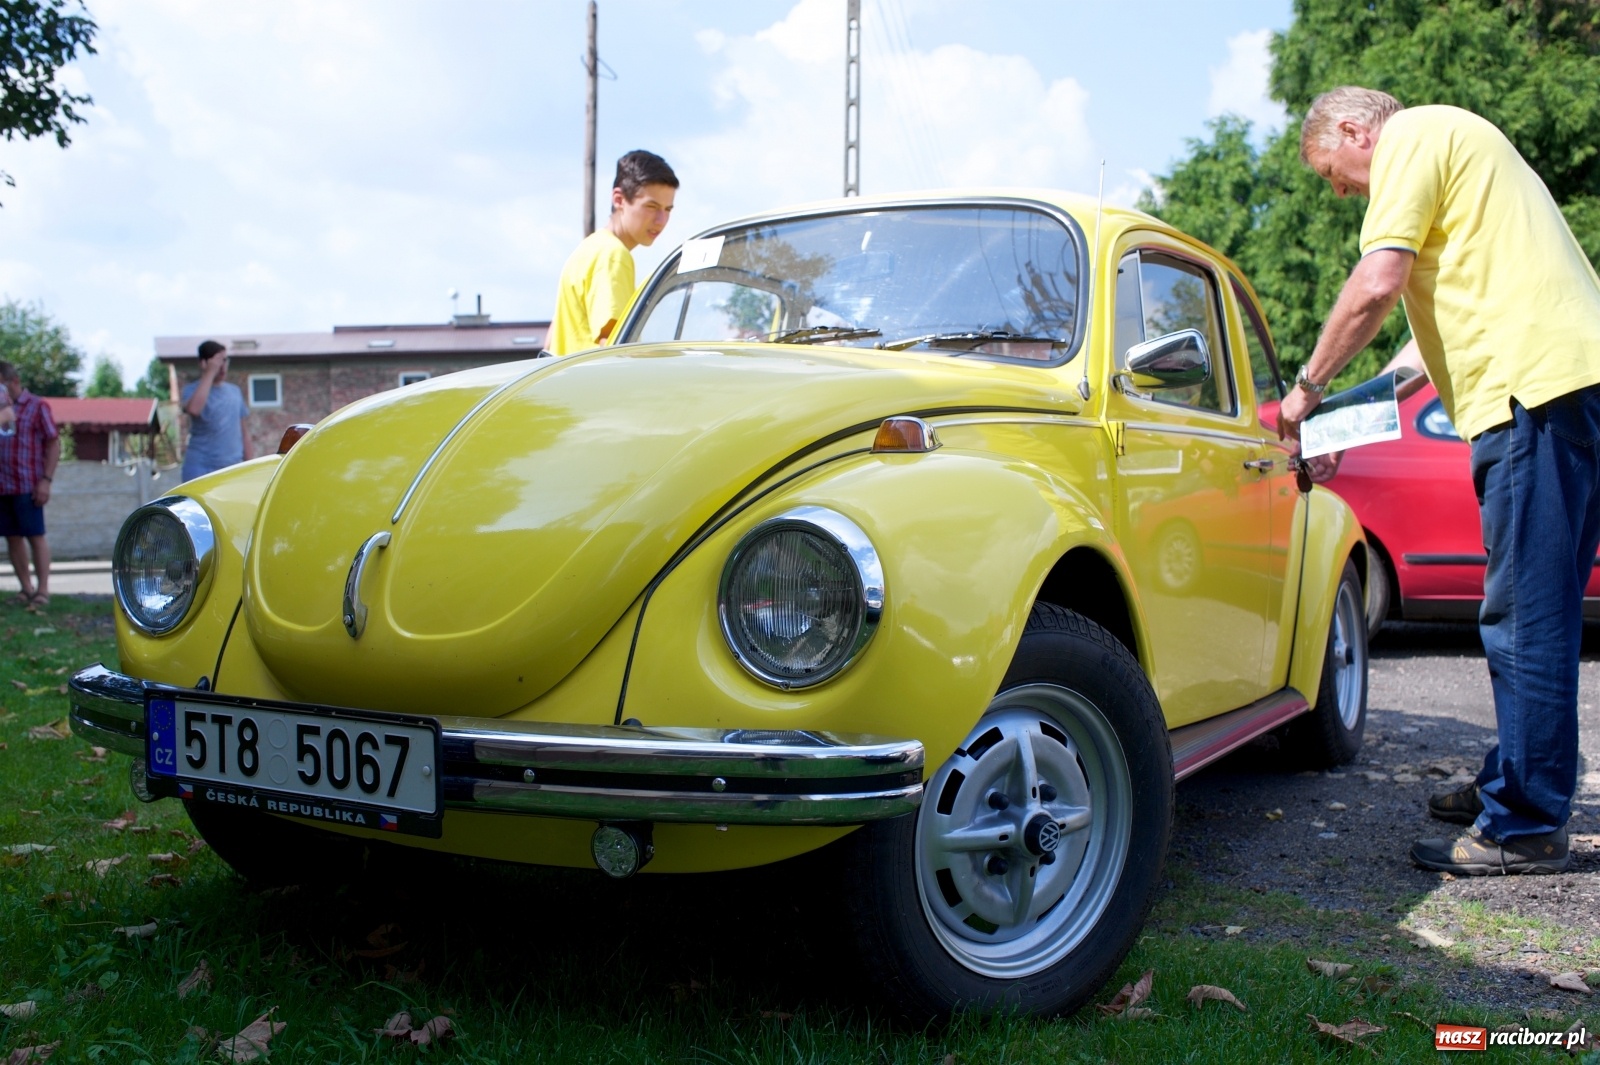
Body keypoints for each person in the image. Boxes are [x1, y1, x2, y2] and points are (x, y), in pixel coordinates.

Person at [1279, 87, 1600, 876]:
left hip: (1531, 392)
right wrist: (1333, 429)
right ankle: (1515, 780)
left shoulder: (1414, 137)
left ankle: (1523, 825)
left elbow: (1377, 282)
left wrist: (1304, 391)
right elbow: (1410, 361)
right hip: (1558, 384)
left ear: (1354, 130)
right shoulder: (1460, 156)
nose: (1341, 189)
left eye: (1333, 172)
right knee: (1535, 605)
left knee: (1523, 614)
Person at [545, 150, 678, 356]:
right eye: (652, 207)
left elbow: (548, 344)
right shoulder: (613, 255)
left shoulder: (588, 249)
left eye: (668, 209)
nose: (661, 220)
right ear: (619, 199)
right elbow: (617, 350)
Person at [0, 360, 60, 610]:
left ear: (12, 382)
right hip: (3, 486)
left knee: (35, 536)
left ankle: (43, 589)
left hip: (29, 485)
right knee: (12, 538)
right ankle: (26, 588)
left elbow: (54, 443)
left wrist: (45, 481)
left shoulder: (37, 406)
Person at [181, 340, 251, 481]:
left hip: (232, 468)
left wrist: (250, 465)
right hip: (200, 468)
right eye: (218, 361)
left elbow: (243, 432)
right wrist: (210, 372)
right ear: (203, 363)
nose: (222, 366)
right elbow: (194, 409)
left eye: (225, 360)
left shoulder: (235, 392)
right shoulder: (191, 390)